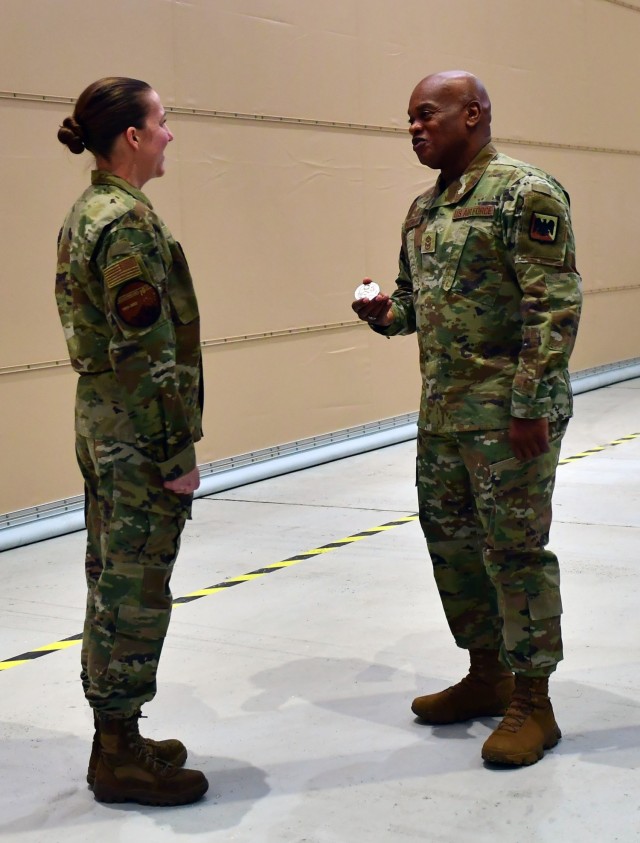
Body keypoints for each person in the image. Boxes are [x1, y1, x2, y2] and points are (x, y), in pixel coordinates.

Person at [352, 70, 582, 767]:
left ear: (473, 113)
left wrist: (530, 406)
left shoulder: (524, 192)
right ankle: (488, 673)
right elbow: (414, 306)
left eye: (428, 115)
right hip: (445, 415)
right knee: (452, 546)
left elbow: (553, 306)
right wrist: (383, 314)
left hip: (510, 417)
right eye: (410, 120)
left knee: (514, 553)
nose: (416, 128)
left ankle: (533, 702)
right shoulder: (423, 211)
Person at [56, 77, 208, 804]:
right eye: (163, 121)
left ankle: (113, 736)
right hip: (135, 432)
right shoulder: (125, 224)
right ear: (134, 138)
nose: (171, 134)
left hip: (104, 421)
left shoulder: (89, 212)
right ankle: (117, 751)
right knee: (135, 586)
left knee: (111, 576)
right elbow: (145, 352)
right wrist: (176, 455)